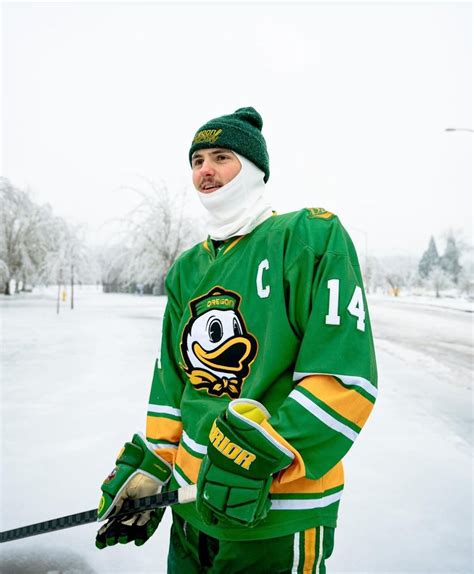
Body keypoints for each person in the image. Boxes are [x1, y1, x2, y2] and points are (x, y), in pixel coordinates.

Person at [95, 107, 378, 573]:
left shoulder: (310, 236)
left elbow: (345, 377)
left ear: (252, 169)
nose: (205, 170)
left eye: (221, 156)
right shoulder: (188, 268)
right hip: (191, 509)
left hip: (276, 513)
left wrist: (265, 453)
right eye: (197, 160)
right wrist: (155, 465)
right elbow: (172, 386)